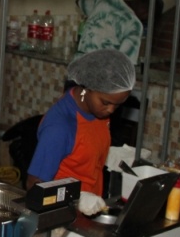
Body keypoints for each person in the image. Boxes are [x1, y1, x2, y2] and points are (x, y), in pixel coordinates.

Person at [26, 49, 135, 215]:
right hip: (61, 216)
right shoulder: (60, 127)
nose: (111, 110)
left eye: (118, 105)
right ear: (87, 87)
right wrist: (77, 199)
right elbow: (34, 187)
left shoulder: (97, 110)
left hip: (92, 209)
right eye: (106, 102)